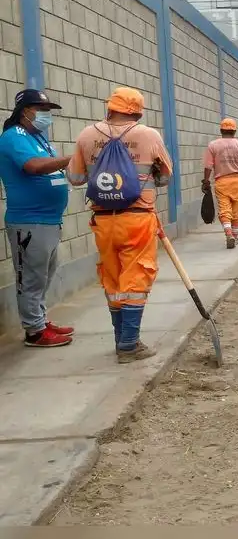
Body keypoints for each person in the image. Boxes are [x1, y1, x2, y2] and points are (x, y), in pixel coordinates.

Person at [67, 87, 173, 363]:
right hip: (137, 218)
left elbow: (76, 178)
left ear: (110, 108)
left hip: (103, 221)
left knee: (114, 280)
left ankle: (120, 338)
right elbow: (163, 179)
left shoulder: (87, 135)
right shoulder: (148, 135)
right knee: (136, 277)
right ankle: (129, 344)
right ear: (137, 111)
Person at [0, 89, 75, 347]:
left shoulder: (38, 138)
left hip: (49, 220)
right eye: (40, 110)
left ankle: (39, 320)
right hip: (29, 220)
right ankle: (34, 331)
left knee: (43, 275)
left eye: (48, 110)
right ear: (25, 112)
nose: (46, 115)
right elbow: (33, 167)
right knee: (30, 277)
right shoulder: (14, 137)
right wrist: (70, 160)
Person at [203, 118, 238, 249]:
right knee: (237, 210)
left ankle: (228, 234)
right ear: (235, 131)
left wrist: (206, 181)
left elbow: (208, 166)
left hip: (222, 182)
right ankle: (235, 237)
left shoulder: (213, 145)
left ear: (221, 130)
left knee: (225, 210)